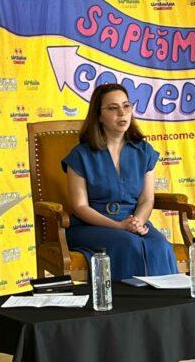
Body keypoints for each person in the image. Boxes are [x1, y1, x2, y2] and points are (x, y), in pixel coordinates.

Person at [61, 83, 179, 281]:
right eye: (113, 108)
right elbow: (80, 207)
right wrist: (119, 226)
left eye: (126, 106)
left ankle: (162, 300)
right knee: (128, 243)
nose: (122, 113)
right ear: (99, 116)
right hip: (90, 225)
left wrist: (138, 222)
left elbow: (146, 199)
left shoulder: (144, 151)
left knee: (160, 245)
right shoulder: (80, 155)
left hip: (132, 222)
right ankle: (124, 300)